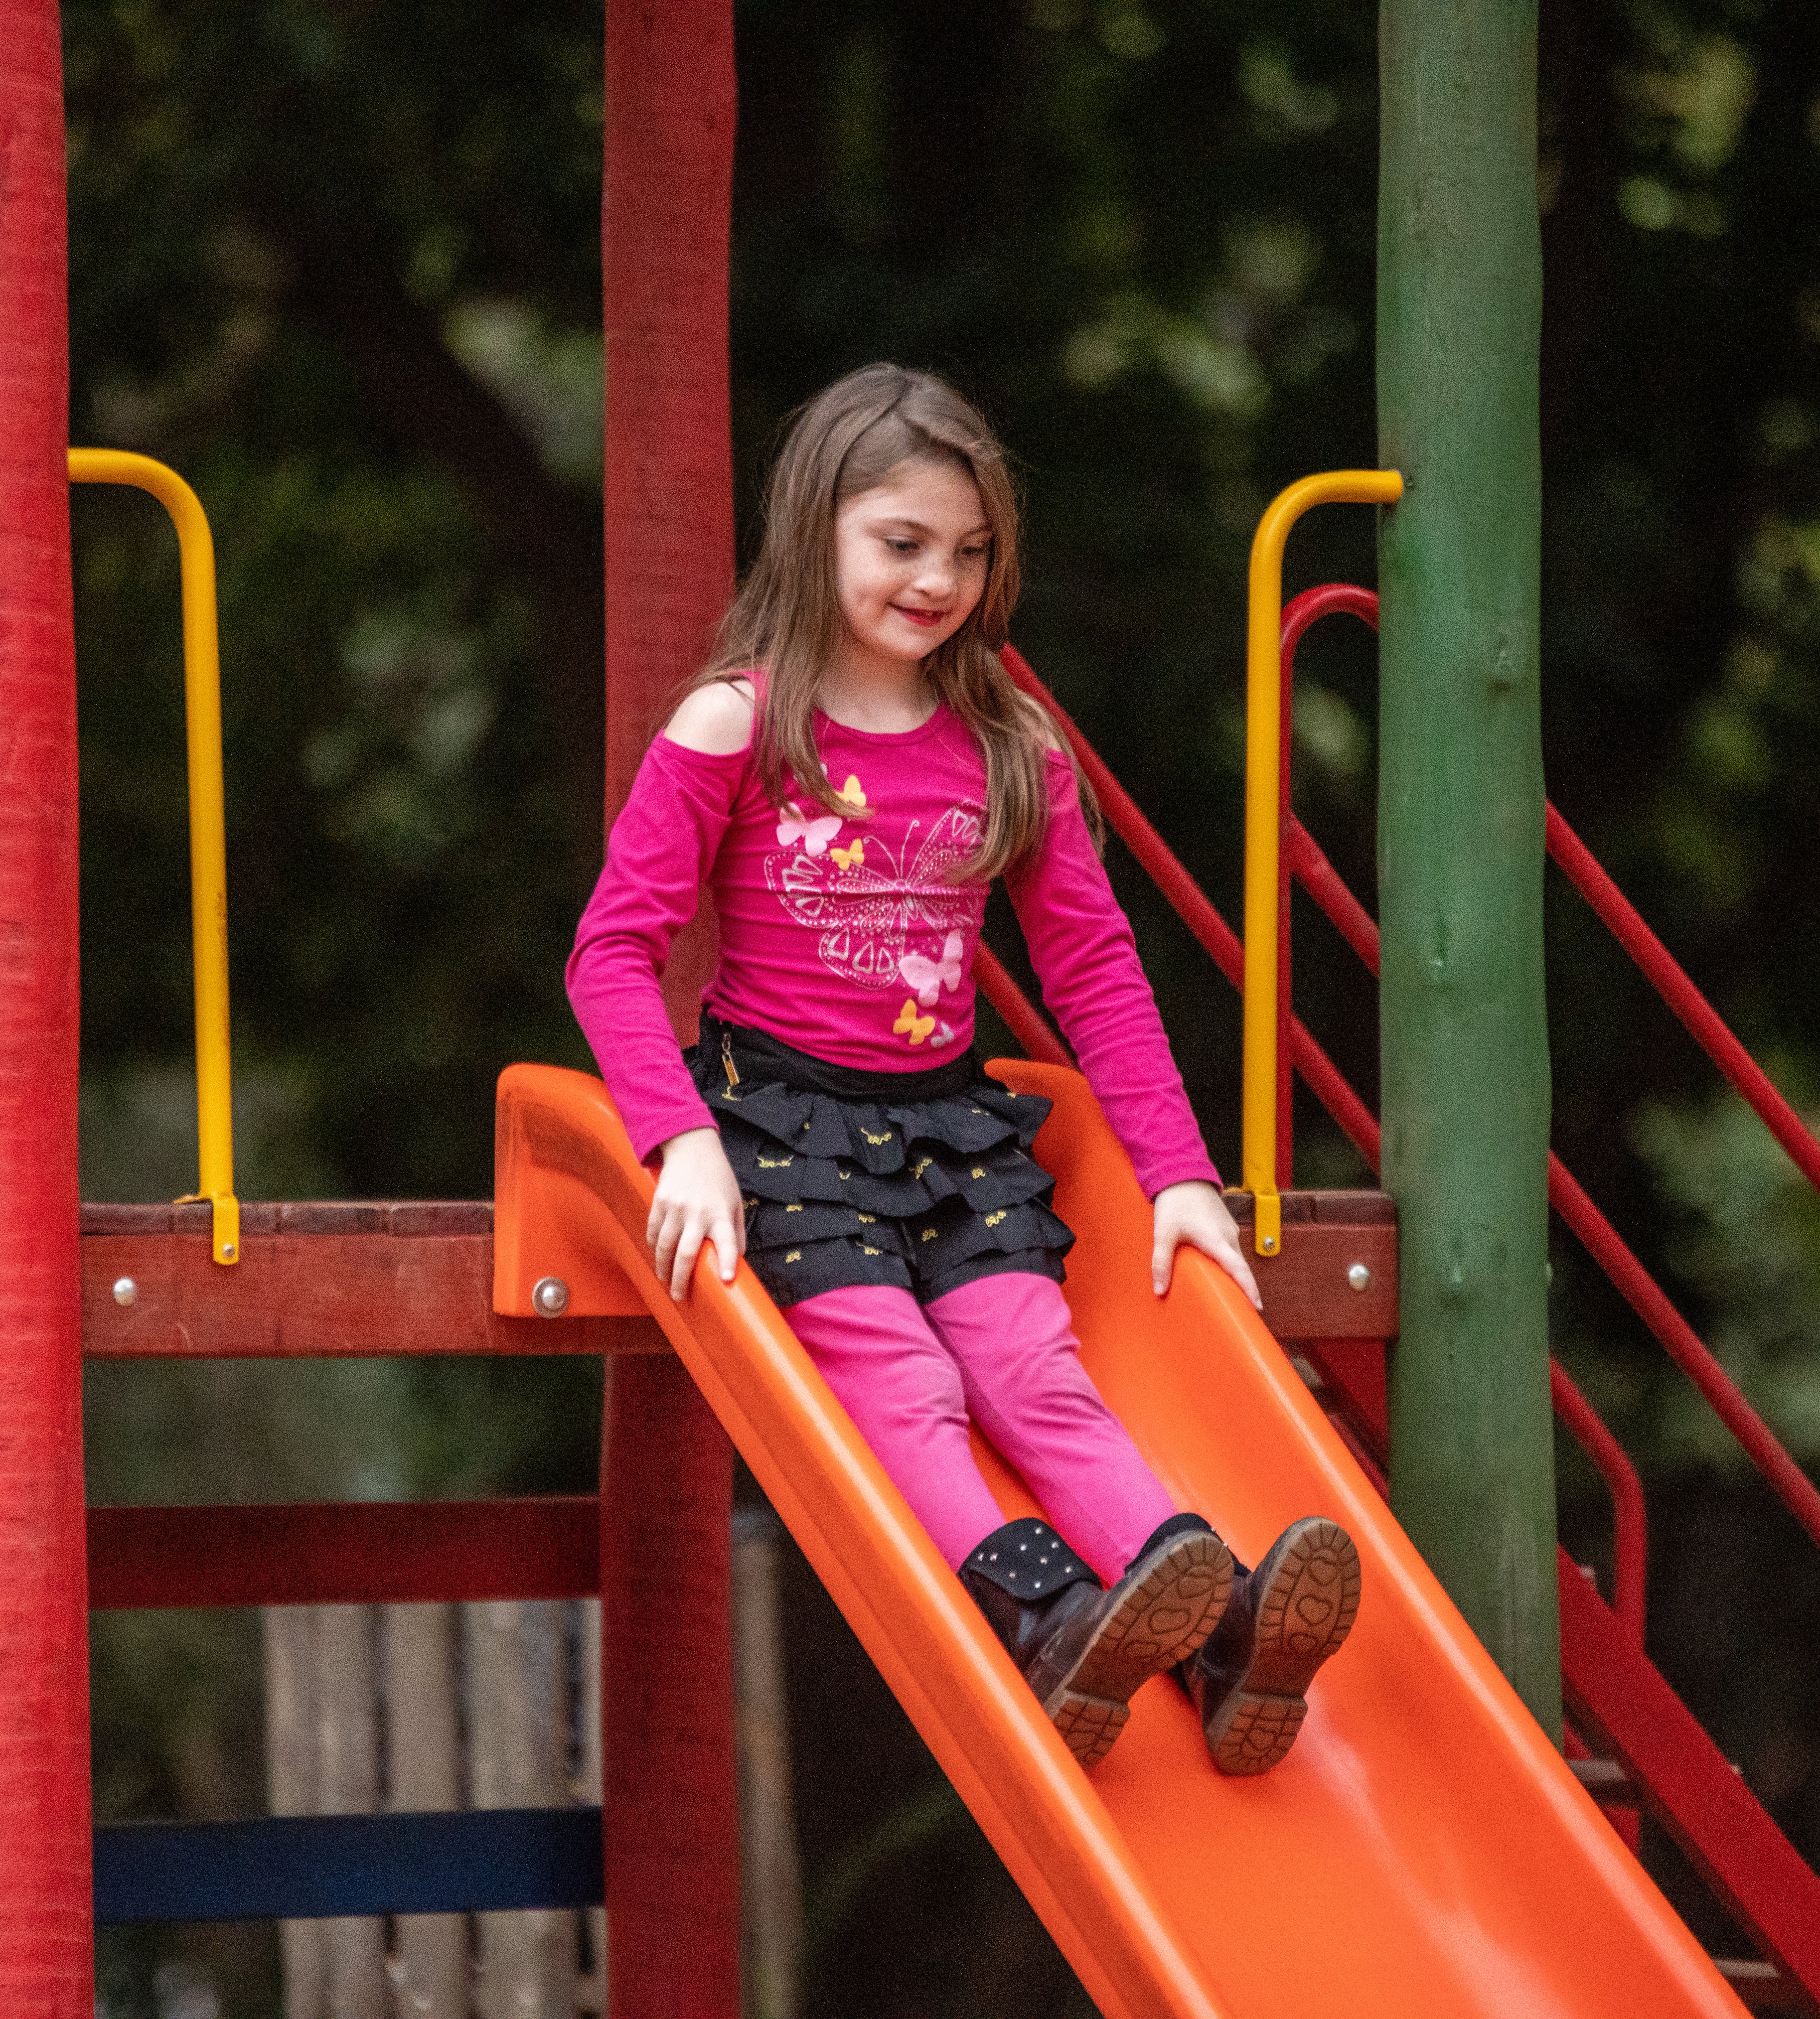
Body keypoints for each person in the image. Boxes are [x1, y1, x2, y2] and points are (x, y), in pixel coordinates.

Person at [568, 363, 1359, 1775]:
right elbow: (611, 954)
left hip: (954, 1133)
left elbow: (1098, 972)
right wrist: (676, 1138)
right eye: (904, 542)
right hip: (786, 1131)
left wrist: (1180, 1178)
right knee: (904, 1376)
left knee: (1031, 1370)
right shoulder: (740, 725)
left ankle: (1222, 1623)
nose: (939, 577)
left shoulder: (1008, 748)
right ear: (817, 532)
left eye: (971, 550)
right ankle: (1044, 1611)